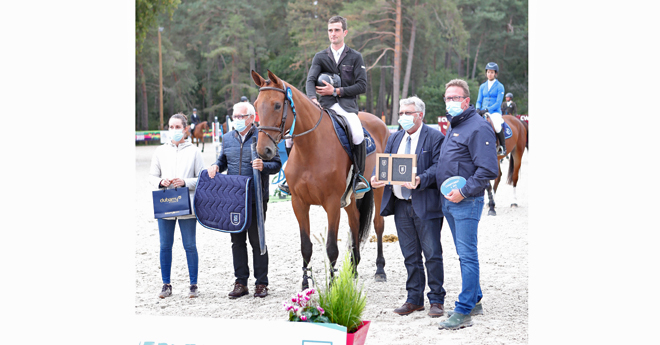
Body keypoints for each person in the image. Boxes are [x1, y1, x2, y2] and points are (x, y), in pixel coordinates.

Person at [370, 96, 446, 318]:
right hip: (401, 205)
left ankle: (436, 299)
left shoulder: (435, 138)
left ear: (420, 115)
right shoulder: (394, 138)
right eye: (401, 113)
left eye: (407, 113)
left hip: (425, 204)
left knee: (432, 254)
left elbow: (439, 167)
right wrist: (376, 177)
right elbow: (385, 164)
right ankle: (414, 299)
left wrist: (421, 178)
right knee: (410, 255)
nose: (402, 116)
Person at [436, 79, 499, 330]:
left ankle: (463, 311)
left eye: (454, 98)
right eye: (447, 98)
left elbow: (488, 170)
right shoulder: (455, 125)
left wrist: (463, 192)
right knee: (464, 254)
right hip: (450, 201)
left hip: (466, 201)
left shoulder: (479, 127)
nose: (450, 102)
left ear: (466, 101)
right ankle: (476, 299)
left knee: (467, 256)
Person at [207, 102, 282, 299]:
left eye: (240, 117)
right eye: (235, 116)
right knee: (237, 241)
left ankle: (261, 283)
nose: (236, 120)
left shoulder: (262, 136)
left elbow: (277, 164)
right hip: (234, 199)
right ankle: (241, 282)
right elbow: (223, 161)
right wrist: (216, 166)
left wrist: (263, 166)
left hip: (256, 198)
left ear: (251, 117)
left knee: (258, 241)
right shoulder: (227, 138)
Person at [303, 15, 369, 194]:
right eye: (330, 30)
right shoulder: (320, 57)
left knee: (356, 132)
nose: (333, 34)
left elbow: (362, 86)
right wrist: (313, 100)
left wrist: (337, 91)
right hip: (324, 105)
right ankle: (292, 176)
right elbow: (310, 81)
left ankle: (358, 177)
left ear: (344, 32)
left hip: (346, 106)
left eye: (337, 30)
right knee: (298, 129)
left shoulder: (355, 57)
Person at [149, 113, 205, 299]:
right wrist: (160, 182)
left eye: (177, 127)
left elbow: (202, 179)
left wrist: (185, 182)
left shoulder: (195, 152)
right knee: (165, 245)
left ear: (185, 129)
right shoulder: (160, 151)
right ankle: (166, 284)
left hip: (187, 205)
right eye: (171, 127)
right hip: (165, 204)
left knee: (190, 245)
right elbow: (151, 177)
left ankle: (193, 284)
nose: (174, 130)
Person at [475, 62, 506, 155]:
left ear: (495, 74)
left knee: (496, 126)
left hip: (494, 112)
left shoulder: (500, 86)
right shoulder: (482, 86)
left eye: (492, 72)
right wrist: (477, 109)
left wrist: (487, 110)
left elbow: (498, 103)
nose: (490, 74)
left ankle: (503, 147)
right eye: (488, 72)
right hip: (482, 111)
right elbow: (479, 100)